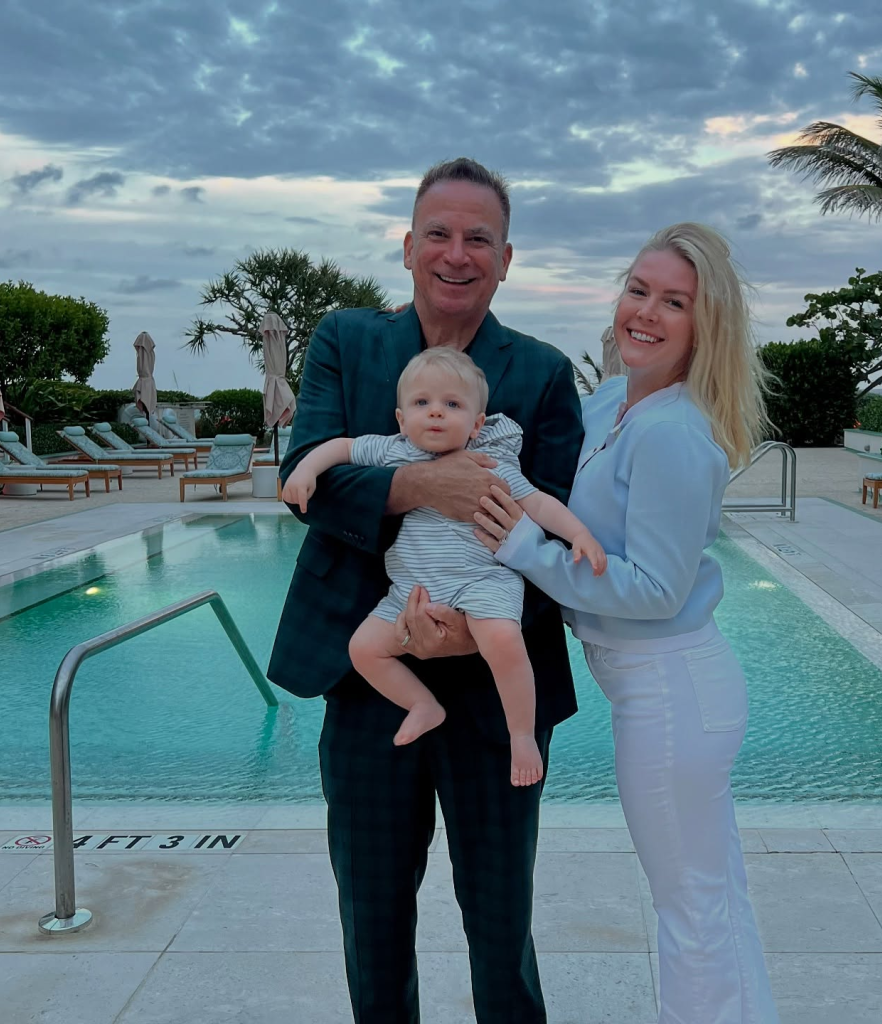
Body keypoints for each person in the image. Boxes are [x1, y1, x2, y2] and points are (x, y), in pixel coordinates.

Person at [268, 157, 584, 1022]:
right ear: (408, 247)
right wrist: (421, 486)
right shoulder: (346, 341)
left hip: (496, 686)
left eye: (478, 238)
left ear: (505, 260)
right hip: (368, 674)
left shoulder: (543, 372)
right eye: (437, 234)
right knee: (372, 918)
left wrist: (473, 628)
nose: (456, 253)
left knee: (500, 921)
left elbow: (557, 527)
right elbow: (306, 480)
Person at [475, 222, 781, 1023]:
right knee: (713, 896)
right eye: (638, 290)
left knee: (691, 911)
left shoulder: (675, 432)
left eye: (674, 302)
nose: (645, 312)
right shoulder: (614, 399)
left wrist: (522, 550)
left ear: (705, 324)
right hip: (659, 687)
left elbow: (653, 589)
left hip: (671, 692)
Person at [282, 345, 606, 786]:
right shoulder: (394, 450)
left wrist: (579, 534)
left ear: (476, 424)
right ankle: (422, 704)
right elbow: (341, 447)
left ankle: (522, 736)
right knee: (363, 649)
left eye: (452, 404)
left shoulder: (490, 463)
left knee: (504, 641)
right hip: (411, 591)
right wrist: (306, 471)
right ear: (401, 420)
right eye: (422, 403)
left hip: (482, 581)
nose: (435, 412)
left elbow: (537, 502)